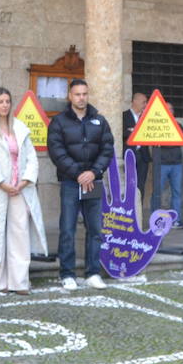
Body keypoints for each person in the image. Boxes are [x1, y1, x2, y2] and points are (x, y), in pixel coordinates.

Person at [0, 87, 48, 293]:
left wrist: (24, 181)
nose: (4, 105)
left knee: (19, 234)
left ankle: (19, 282)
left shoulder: (20, 128)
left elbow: (31, 159)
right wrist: (3, 183)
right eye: (0, 101)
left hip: (19, 190)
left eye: (7, 101)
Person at [46, 78, 115, 291]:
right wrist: (78, 173)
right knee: (67, 228)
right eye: (77, 94)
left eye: (84, 94)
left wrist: (93, 172)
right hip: (70, 182)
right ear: (70, 96)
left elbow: (107, 149)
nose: (81, 98)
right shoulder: (58, 122)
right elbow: (56, 151)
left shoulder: (99, 121)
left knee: (95, 229)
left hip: (93, 182)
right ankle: (67, 274)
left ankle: (92, 273)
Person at [121, 92, 152, 200]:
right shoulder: (123, 116)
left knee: (140, 186)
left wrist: (133, 131)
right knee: (128, 185)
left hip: (143, 156)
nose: (145, 105)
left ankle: (139, 214)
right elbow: (121, 133)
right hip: (128, 155)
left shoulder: (146, 118)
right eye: (143, 102)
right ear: (135, 101)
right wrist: (133, 132)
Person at [150, 138, 183, 227]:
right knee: (157, 192)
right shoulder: (158, 126)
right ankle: (154, 219)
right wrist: (173, 142)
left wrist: (165, 143)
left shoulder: (178, 126)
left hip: (176, 163)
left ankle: (176, 220)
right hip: (161, 163)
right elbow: (154, 142)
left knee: (177, 192)